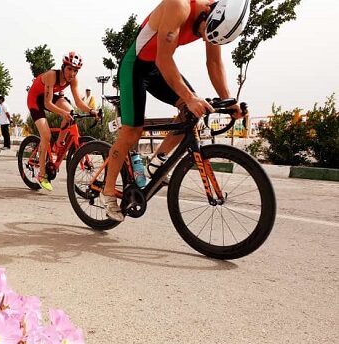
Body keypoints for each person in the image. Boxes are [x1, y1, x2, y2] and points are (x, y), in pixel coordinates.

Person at [100, 0, 249, 221]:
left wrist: (230, 101)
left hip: (158, 68)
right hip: (136, 67)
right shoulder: (179, 5)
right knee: (132, 131)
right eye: (203, 33)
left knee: (191, 114)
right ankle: (108, 191)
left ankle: (157, 160)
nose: (204, 38)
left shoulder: (215, 22)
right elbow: (163, 58)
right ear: (208, 11)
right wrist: (189, 97)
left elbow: (214, 64)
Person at [26, 51, 99, 191]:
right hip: (36, 100)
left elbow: (78, 102)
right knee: (46, 135)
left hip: (51, 97)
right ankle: (41, 175)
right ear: (63, 67)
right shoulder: (51, 76)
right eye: (70, 69)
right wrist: (62, 113)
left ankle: (58, 145)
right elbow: (47, 104)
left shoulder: (73, 80)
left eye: (75, 71)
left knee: (71, 112)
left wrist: (91, 111)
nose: (72, 73)